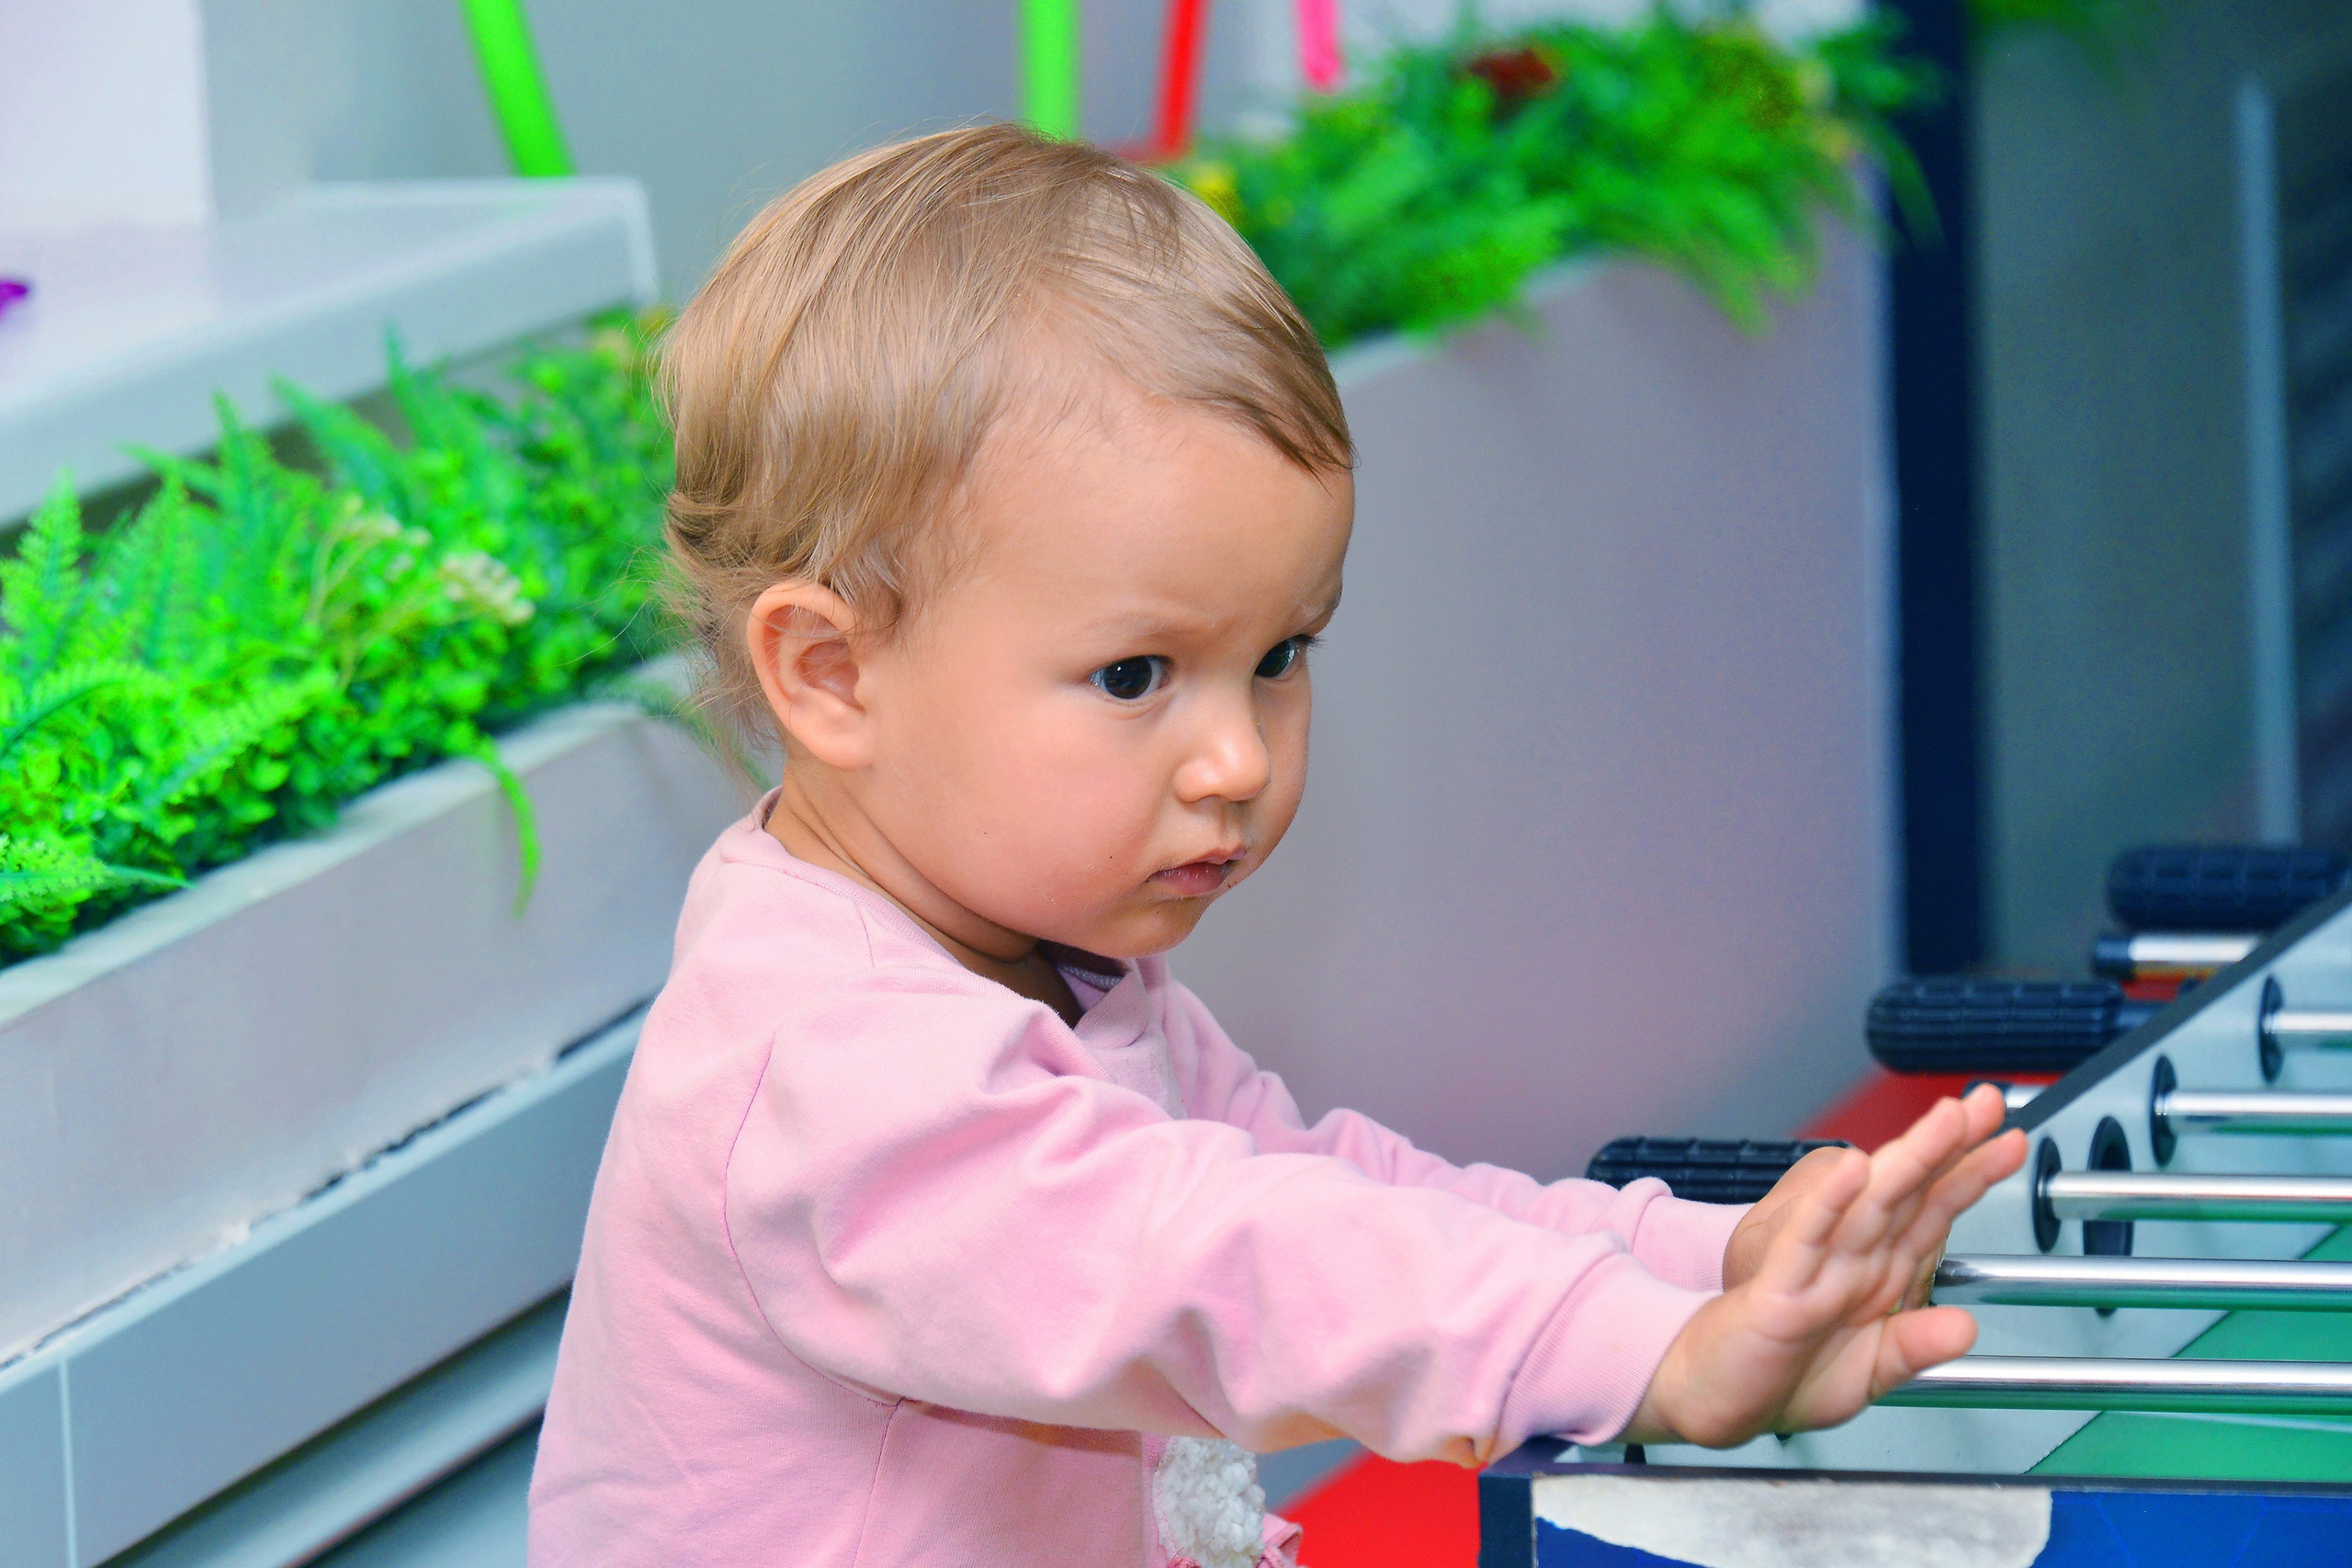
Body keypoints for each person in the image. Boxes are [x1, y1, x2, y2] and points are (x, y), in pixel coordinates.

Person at [526, 123, 2026, 1568]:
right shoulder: (833, 1071)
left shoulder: (1045, 960)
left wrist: (1692, 1264)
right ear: (833, 675)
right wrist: (1630, 1354)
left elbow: (1319, 1189)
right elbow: (1213, 1267)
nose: (1240, 757)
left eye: (1282, 654)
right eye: (1136, 677)